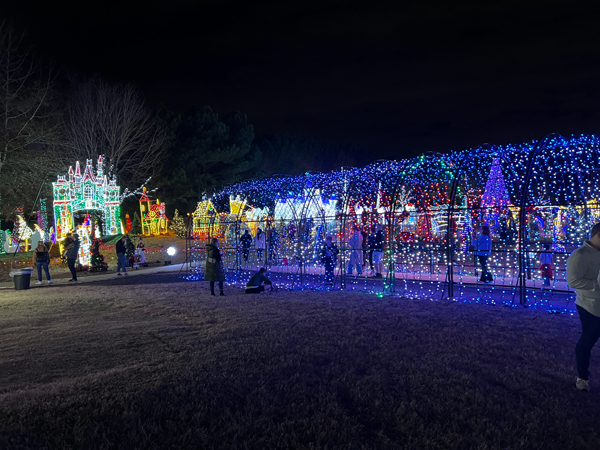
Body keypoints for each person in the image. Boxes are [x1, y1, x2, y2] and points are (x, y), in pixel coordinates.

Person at [566, 222, 600, 392]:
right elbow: (573, 281)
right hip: (590, 306)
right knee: (587, 341)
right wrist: (596, 284)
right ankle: (582, 377)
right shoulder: (580, 255)